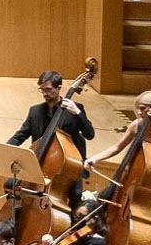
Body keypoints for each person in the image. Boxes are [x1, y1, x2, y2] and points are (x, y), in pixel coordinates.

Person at [86, 92, 151, 244]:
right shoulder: (137, 125)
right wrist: (94, 158)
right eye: (138, 109)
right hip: (139, 173)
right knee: (104, 197)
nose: (140, 113)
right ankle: (103, 235)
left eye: (143, 108)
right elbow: (117, 147)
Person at [6, 70, 98, 201]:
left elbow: (90, 134)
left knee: (75, 195)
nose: (44, 93)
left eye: (48, 89)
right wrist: (6, 148)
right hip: (40, 162)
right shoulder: (35, 111)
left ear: (59, 88)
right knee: (10, 185)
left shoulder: (74, 109)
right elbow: (21, 135)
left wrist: (78, 113)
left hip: (67, 168)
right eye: (42, 90)